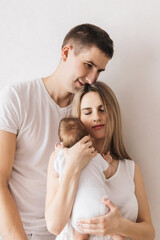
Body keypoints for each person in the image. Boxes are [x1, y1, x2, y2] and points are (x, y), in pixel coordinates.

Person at [0, 23, 113, 240]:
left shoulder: (87, 111)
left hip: (71, 233)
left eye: (98, 70)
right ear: (66, 52)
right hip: (24, 233)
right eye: (88, 65)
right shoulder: (16, 98)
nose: (92, 79)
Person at [45, 82, 155, 240]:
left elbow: (150, 233)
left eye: (102, 110)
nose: (96, 117)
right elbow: (55, 226)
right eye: (87, 112)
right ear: (78, 118)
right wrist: (73, 167)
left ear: (112, 113)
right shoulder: (60, 158)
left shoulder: (130, 169)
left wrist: (118, 226)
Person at [53, 116, 125, 240]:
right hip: (102, 205)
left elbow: (57, 172)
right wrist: (107, 161)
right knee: (114, 231)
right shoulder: (95, 156)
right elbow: (108, 173)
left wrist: (60, 151)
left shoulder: (62, 158)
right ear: (89, 137)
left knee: (80, 234)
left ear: (62, 143)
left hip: (81, 213)